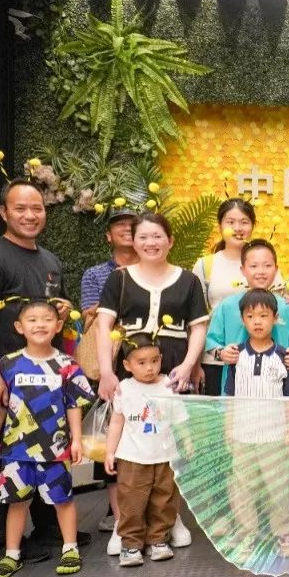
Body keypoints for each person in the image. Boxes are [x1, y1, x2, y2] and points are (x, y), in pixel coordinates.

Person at [0, 178, 84, 564]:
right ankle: (0, 541)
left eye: (37, 208)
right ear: (4, 212)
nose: (30, 215)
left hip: (48, 379)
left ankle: (49, 530)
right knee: (3, 452)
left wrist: (64, 310)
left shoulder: (50, 260)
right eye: (20, 208)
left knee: (47, 448)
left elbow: (53, 312)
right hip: (9, 378)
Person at [95, 212, 207, 551]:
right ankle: (124, 523)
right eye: (143, 236)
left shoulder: (188, 280)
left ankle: (171, 518)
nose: (150, 243)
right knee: (129, 440)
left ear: (169, 240)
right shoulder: (119, 279)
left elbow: (198, 327)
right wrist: (107, 371)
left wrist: (187, 365)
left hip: (172, 366)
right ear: (133, 241)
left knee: (170, 440)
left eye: (157, 236)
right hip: (131, 366)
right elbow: (104, 325)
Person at [0, 299, 95, 577]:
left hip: (55, 449)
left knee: (62, 499)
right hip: (16, 450)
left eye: (47, 319)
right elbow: (1, 406)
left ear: (58, 325)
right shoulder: (8, 364)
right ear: (19, 327)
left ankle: (70, 549)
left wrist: (76, 439)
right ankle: (11, 555)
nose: (40, 325)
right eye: (32, 320)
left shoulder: (66, 365)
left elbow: (73, 404)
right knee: (17, 502)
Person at [223, 289, 289, 560]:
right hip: (243, 433)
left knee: (279, 486)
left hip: (274, 434)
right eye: (250, 316)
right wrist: (228, 429)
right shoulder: (236, 357)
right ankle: (247, 534)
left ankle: (283, 533)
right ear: (242, 319)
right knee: (242, 487)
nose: (257, 321)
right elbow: (230, 396)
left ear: (275, 318)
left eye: (263, 315)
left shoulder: (284, 356)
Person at [79, 206, 139, 537]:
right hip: (112, 363)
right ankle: (117, 516)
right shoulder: (95, 274)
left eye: (133, 225)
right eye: (120, 226)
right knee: (111, 434)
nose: (127, 230)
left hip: (147, 361)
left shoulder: (152, 267)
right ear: (108, 236)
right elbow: (91, 315)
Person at [104, 332, 187, 567]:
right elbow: (117, 422)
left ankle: (158, 540)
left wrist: (186, 445)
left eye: (155, 360)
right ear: (127, 365)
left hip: (165, 456)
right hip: (132, 458)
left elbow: (180, 420)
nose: (150, 368)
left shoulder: (168, 386)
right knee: (132, 501)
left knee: (164, 500)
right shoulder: (124, 388)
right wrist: (110, 452)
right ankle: (131, 544)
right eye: (141, 362)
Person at [205, 240, 289, 394]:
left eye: (267, 265)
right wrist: (221, 353)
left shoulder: (286, 307)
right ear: (243, 269)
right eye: (253, 266)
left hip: (277, 393)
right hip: (235, 392)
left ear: (276, 269)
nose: (261, 271)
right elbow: (212, 342)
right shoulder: (228, 306)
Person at [191, 198, 258, 397]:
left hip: (258, 359)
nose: (238, 228)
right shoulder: (205, 265)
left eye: (244, 222)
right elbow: (196, 318)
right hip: (215, 359)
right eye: (230, 222)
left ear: (252, 226)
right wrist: (195, 364)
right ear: (220, 225)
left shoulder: (263, 261)